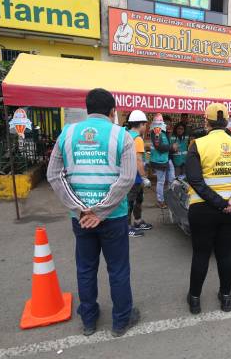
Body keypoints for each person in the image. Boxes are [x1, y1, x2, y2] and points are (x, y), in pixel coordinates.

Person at [46, 88, 140, 337]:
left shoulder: (67, 133)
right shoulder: (122, 136)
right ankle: (121, 321)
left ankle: (88, 320)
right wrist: (100, 210)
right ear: (112, 111)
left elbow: (54, 175)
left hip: (81, 219)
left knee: (86, 269)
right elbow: (127, 178)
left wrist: (80, 209)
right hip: (114, 217)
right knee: (118, 269)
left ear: (88, 110)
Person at [185, 103, 231, 314]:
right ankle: (226, 298)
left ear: (206, 121)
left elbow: (195, 181)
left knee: (201, 254)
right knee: (225, 254)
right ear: (226, 122)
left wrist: (220, 203)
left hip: (202, 210)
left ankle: (195, 300)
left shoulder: (197, 145)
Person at [125, 110, 153, 237]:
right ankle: (127, 227)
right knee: (130, 202)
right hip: (134, 177)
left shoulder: (126, 135)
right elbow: (138, 160)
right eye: (145, 124)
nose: (146, 127)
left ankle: (137, 221)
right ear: (141, 124)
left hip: (127, 174)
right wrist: (144, 177)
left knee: (138, 199)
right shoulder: (138, 139)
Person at [149, 114, 173, 209]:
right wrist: (171, 148)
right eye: (164, 122)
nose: (166, 124)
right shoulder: (157, 131)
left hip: (164, 160)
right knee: (161, 182)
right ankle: (160, 201)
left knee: (170, 179)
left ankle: (165, 198)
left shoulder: (161, 131)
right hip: (159, 161)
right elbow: (159, 146)